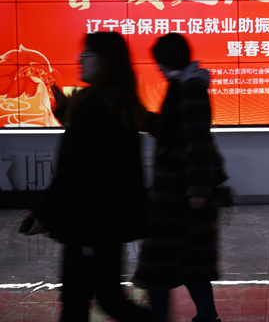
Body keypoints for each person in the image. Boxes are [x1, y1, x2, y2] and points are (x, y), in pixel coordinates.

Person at [23, 31, 153, 321]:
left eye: (88, 54)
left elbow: (76, 171)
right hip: (106, 221)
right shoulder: (117, 101)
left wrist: (46, 212)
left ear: (105, 60)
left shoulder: (96, 106)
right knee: (105, 300)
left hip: (89, 223)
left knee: (83, 303)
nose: (81, 60)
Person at [133, 33, 226, 322]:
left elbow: (197, 140)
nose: (157, 67)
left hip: (178, 195)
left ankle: (177, 317)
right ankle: (207, 316)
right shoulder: (183, 85)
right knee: (190, 265)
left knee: (160, 267)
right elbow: (173, 130)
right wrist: (143, 118)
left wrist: (197, 190)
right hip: (178, 194)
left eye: (159, 61)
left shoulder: (189, 87)